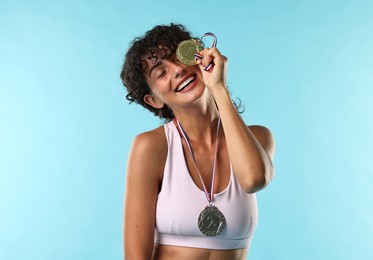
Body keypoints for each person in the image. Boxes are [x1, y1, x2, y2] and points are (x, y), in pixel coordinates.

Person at [120, 23, 275, 260]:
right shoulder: (152, 147)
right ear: (153, 100)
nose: (177, 70)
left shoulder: (259, 137)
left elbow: (254, 179)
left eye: (179, 58)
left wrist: (218, 88)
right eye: (161, 73)